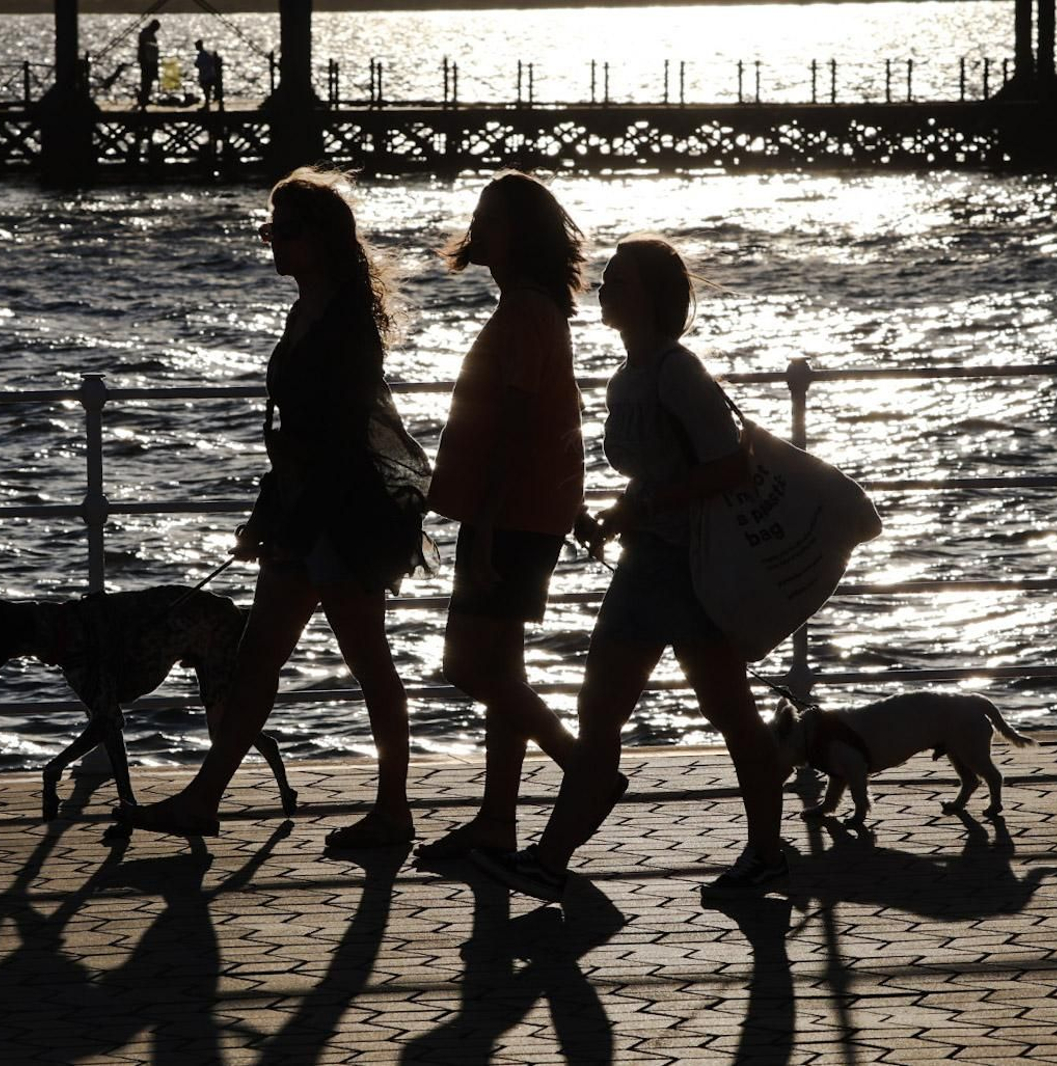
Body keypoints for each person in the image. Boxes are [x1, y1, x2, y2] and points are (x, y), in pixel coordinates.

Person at [118, 169, 434, 848]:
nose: (273, 242)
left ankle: (393, 808)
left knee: (368, 659)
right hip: (303, 510)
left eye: (285, 231)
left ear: (320, 239)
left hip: (342, 518)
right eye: (269, 229)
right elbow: (298, 435)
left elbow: (342, 438)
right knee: (260, 656)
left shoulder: (347, 322)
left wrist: (289, 514)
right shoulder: (307, 309)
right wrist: (273, 508)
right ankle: (204, 798)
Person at [471, 235, 788, 902]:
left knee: (724, 710)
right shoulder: (631, 374)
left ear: (647, 296)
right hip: (649, 565)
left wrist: (643, 505)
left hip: (690, 570)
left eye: (617, 278)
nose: (604, 286)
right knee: (605, 710)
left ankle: (765, 850)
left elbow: (732, 465)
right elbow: (661, 472)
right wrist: (618, 515)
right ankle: (552, 858)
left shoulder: (675, 370)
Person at [414, 171, 590, 862]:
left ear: (517, 234)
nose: (476, 227)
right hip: (524, 511)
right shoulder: (535, 306)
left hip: (509, 517)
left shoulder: (523, 312)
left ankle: (584, 769)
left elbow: (514, 426)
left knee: (468, 664)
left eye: (489, 217)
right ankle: (496, 820)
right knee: (504, 671)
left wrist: (481, 528)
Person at [137, 19, 161, 110]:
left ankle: (144, 98)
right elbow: (147, 48)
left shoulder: (146, 33)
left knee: (147, 81)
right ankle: (143, 99)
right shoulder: (146, 34)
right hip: (147, 61)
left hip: (148, 60)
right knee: (146, 81)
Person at [194, 39, 221, 110]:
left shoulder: (201, 55)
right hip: (208, 75)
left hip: (205, 76)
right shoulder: (205, 54)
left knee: (206, 92)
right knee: (207, 92)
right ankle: (207, 105)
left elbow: (197, 64)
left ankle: (207, 106)